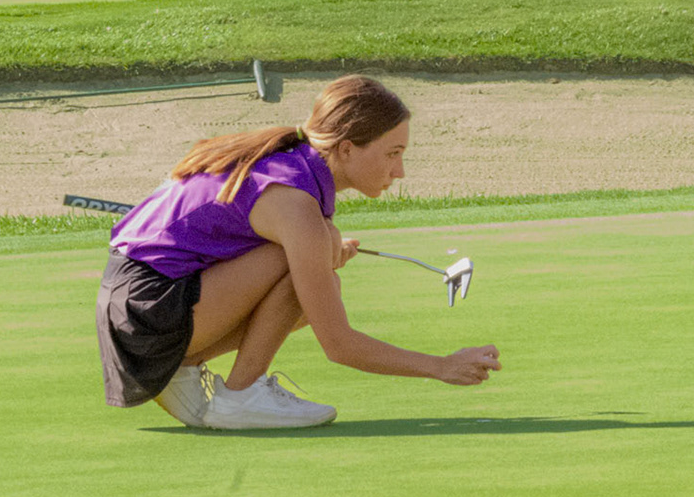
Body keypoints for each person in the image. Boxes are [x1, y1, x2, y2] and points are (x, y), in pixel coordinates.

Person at [96, 74, 502, 430]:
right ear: (345, 149)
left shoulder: (292, 169)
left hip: (137, 304)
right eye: (392, 154)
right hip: (145, 312)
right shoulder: (295, 202)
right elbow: (339, 345)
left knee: (318, 250)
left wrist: (322, 249)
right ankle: (240, 397)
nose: (399, 172)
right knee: (310, 260)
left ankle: (186, 367)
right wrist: (441, 366)